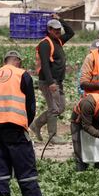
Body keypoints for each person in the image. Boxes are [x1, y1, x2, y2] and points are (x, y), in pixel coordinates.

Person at [0, 50, 42, 196]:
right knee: (24, 162)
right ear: (18, 62)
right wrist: (25, 123)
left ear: (4, 61)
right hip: (14, 125)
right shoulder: (22, 74)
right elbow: (30, 105)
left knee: (0, 162)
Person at [30, 13, 74, 144]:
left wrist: (59, 19)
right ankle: (52, 136)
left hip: (58, 81)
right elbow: (45, 64)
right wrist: (50, 83)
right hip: (48, 81)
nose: (58, 32)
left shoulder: (58, 40)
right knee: (54, 108)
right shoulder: (45, 44)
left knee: (60, 108)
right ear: (49, 30)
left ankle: (36, 124)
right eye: (55, 30)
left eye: (59, 30)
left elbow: (71, 32)